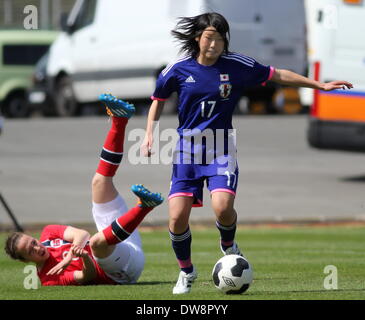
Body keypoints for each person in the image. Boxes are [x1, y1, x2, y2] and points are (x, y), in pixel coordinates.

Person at [141, 12, 353, 294]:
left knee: (223, 207)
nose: (215, 44)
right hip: (187, 152)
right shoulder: (178, 69)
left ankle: (228, 245)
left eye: (220, 38)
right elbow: (157, 100)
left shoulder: (237, 65)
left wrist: (319, 85)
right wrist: (148, 136)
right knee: (176, 218)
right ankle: (187, 272)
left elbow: (277, 74)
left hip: (220, 147)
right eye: (209, 38)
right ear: (197, 38)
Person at [4, 94, 164, 286]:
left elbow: (81, 235)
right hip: (122, 272)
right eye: (30, 251)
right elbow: (86, 277)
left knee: (98, 182)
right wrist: (83, 258)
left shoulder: (48, 233)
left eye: (33, 243)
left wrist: (71, 255)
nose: (37, 248)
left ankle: (119, 121)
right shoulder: (48, 277)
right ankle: (144, 207)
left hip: (122, 246)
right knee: (97, 243)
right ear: (25, 261)